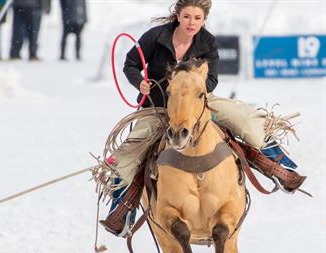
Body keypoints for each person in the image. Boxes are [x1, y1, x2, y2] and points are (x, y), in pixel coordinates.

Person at [100, 0, 304, 235]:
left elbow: (212, 81)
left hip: (198, 103)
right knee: (127, 155)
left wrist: (192, 88)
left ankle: (280, 168)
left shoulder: (207, 42)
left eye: (197, 18)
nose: (192, 23)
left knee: (245, 120)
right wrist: (140, 82)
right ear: (178, 16)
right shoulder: (155, 37)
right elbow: (131, 64)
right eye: (187, 17)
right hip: (157, 106)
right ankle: (122, 210)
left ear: (204, 20)